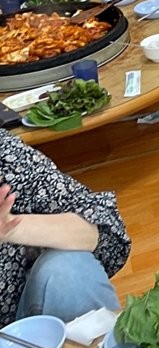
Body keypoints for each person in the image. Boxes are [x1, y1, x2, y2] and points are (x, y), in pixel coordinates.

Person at [1, 129, 131, 325]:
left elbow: (106, 231)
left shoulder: (6, 155)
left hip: (24, 323)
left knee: (67, 270)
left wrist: (13, 228)